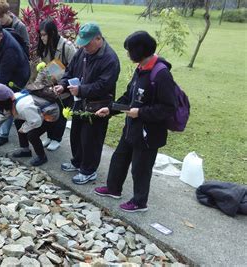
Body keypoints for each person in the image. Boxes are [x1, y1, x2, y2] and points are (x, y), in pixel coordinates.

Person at [93, 31, 177, 212]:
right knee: (119, 158)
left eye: (129, 50)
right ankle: (113, 189)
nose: (127, 54)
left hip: (149, 133)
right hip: (132, 128)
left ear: (140, 50)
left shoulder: (161, 74)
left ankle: (140, 202)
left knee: (141, 168)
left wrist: (140, 112)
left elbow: (169, 107)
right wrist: (111, 108)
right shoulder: (140, 68)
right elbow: (129, 97)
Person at [54, 22, 120, 185]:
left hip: (98, 105)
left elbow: (103, 85)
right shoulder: (82, 53)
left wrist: (81, 90)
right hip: (79, 101)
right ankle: (77, 162)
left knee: (91, 138)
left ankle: (89, 170)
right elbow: (70, 70)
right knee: (76, 133)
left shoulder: (110, 59)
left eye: (87, 44)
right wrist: (63, 85)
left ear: (98, 39)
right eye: (82, 44)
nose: (84, 47)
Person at [0, 84, 52, 166]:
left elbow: (36, 122)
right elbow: (1, 116)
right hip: (36, 115)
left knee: (32, 134)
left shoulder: (22, 106)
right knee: (18, 122)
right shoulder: (11, 100)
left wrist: (24, 128)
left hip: (50, 116)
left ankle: (42, 157)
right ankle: (25, 150)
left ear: (2, 101)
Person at [34, 18, 76, 151]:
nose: (42, 38)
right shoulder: (45, 47)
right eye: (40, 35)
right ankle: (50, 136)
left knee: (61, 113)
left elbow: (76, 68)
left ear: (52, 33)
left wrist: (59, 76)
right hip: (50, 87)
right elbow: (44, 68)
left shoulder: (67, 47)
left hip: (65, 87)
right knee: (49, 111)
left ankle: (57, 138)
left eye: (44, 35)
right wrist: (37, 85)